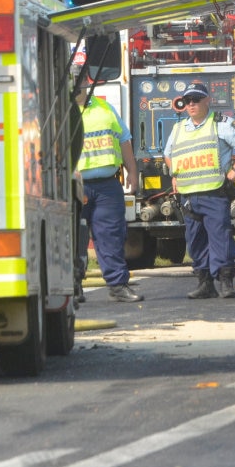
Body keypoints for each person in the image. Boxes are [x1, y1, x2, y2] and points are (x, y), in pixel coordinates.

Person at [163, 81, 235, 299]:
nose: (191, 104)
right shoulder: (178, 129)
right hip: (189, 197)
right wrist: (174, 174)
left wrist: (233, 172)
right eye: (187, 101)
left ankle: (225, 281)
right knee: (195, 241)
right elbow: (168, 154)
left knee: (220, 238)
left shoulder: (221, 124)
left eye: (196, 99)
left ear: (207, 101)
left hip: (214, 193)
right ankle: (205, 283)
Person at [75, 81, 143, 302]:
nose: (78, 86)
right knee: (73, 239)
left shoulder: (105, 108)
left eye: (82, 81)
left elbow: (124, 140)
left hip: (107, 186)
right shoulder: (60, 111)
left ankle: (118, 286)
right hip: (74, 186)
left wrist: (132, 171)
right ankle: (73, 287)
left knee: (111, 236)